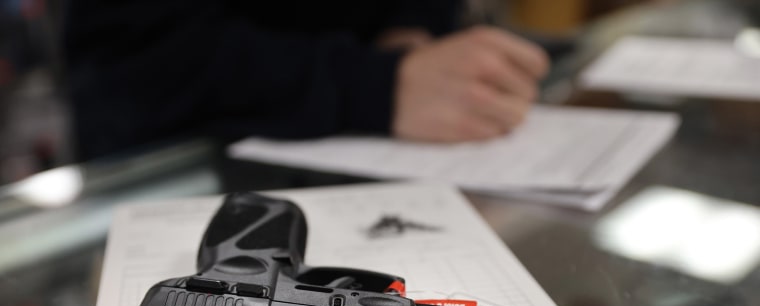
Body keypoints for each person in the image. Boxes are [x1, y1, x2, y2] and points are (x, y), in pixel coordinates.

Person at [63, 1, 549, 161]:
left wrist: (410, 26)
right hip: (177, 171)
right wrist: (376, 84)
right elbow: (129, 65)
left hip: (389, 156)